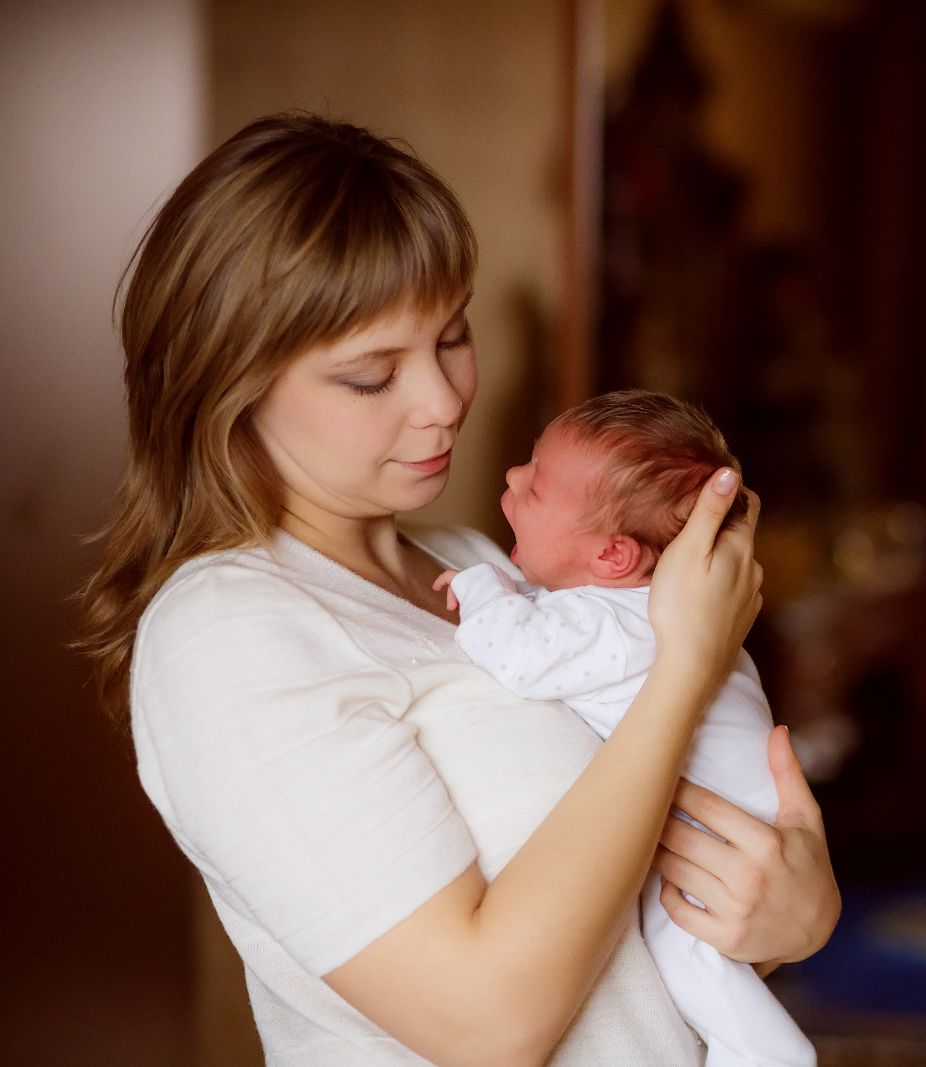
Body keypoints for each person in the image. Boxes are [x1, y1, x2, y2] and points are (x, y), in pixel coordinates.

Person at [76, 113, 839, 1065]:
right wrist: (686, 664)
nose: (442, 401)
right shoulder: (226, 633)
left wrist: (790, 918)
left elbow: (623, 954)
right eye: (370, 375)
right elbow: (489, 1025)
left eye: (452, 335)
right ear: (228, 385)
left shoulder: (469, 559)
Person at [435, 389, 815, 1067]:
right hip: (735, 821)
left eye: (536, 483)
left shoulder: (617, 622)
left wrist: (483, 586)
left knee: (691, 958)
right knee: (697, 969)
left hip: (721, 836)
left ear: (612, 558)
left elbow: (517, 655)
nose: (512, 479)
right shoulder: (641, 610)